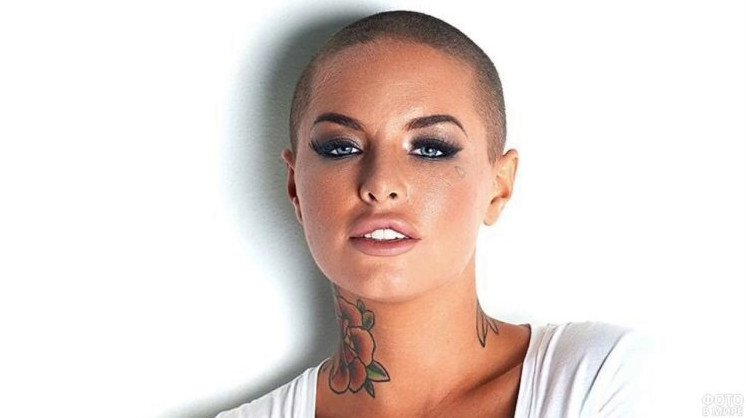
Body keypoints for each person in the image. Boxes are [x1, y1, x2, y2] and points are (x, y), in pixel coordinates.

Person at [216, 9, 654, 418]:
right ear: (295, 186)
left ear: (499, 187)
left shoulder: (604, 379)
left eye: (430, 148)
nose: (380, 183)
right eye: (341, 147)